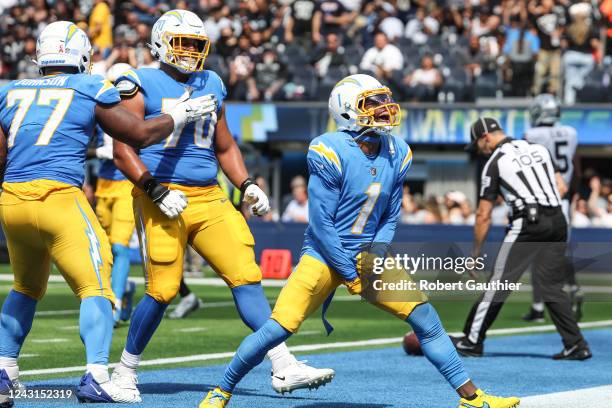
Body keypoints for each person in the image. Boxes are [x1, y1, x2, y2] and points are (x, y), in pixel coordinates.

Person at [199, 74, 520, 408]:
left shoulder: (397, 151)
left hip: (366, 253)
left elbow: (390, 214)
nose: (384, 108)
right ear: (349, 111)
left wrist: (375, 255)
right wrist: (347, 270)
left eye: (383, 100)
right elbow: (321, 225)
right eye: (373, 103)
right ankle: (221, 390)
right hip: (324, 255)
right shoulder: (330, 150)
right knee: (278, 328)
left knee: (427, 319)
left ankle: (471, 398)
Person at [108, 10, 334, 401]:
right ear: (162, 42)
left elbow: (224, 144)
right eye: (182, 43)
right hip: (160, 194)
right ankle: (124, 371)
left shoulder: (211, 80)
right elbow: (123, 148)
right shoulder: (140, 80)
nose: (191, 52)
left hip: (209, 193)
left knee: (246, 276)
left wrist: (247, 183)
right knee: (162, 291)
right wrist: (155, 189)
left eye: (197, 44)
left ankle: (283, 365)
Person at [0, 21, 215, 405]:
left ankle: (5, 372)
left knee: (26, 287)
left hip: (12, 199)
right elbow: (139, 134)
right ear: (81, 54)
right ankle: (97, 375)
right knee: (97, 286)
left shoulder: (9, 90)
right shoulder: (89, 85)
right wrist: (180, 114)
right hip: (58, 197)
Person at [453, 117, 591, 361]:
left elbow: (483, 214)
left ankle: (471, 340)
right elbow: (561, 187)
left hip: (529, 224)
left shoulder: (495, 162)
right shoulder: (538, 149)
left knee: (499, 283)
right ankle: (576, 344)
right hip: (557, 219)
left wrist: (475, 253)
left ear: (485, 137)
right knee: (551, 286)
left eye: (477, 146)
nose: (479, 151)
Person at [522, 94, 581, 323]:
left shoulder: (532, 135)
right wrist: (573, 197)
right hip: (563, 201)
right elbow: (576, 167)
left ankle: (540, 307)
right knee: (558, 255)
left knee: (537, 256)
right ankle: (573, 289)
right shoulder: (571, 133)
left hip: (540, 201)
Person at [93, 63, 138, 326]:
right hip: (103, 182)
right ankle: (122, 291)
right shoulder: (100, 107)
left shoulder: (138, 109)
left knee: (120, 247)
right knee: (106, 248)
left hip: (124, 184)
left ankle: (115, 301)